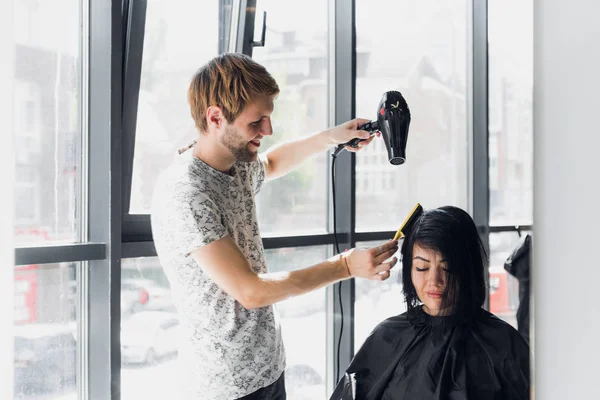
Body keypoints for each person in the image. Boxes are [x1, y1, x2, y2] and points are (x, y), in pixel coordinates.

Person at [150, 52, 399, 400]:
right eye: (257, 123)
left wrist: (331, 137)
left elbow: (271, 162)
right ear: (215, 117)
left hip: (267, 367)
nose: (268, 130)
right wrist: (344, 266)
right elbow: (250, 291)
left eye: (268, 118)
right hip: (226, 386)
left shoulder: (234, 161)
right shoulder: (187, 193)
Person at [331, 206, 530, 400]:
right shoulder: (386, 337)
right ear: (409, 269)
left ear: (469, 269)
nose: (434, 281)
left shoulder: (503, 343)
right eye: (422, 268)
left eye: (448, 268)